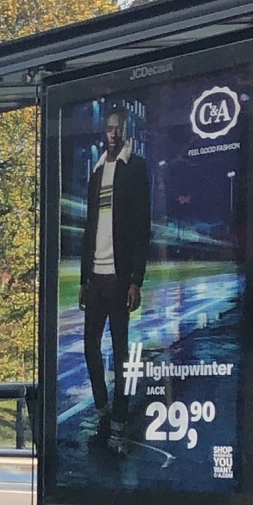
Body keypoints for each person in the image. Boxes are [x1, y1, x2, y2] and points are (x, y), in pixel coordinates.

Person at [81, 107, 151, 435]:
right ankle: (102, 405)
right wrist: (84, 278)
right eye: (108, 129)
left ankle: (121, 410)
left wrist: (136, 280)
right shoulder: (96, 173)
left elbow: (141, 227)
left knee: (120, 349)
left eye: (117, 129)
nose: (112, 134)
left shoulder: (135, 169)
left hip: (120, 277)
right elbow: (88, 227)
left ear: (126, 132)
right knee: (90, 346)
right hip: (96, 277)